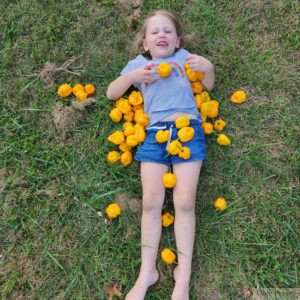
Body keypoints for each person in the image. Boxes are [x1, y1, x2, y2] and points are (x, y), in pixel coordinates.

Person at [106, 9, 214, 300]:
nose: (161, 35)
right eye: (154, 32)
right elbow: (111, 94)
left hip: (189, 132)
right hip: (153, 136)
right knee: (151, 203)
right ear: (144, 44)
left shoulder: (184, 59)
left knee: (185, 202)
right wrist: (132, 76)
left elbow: (209, 85)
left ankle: (184, 276)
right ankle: (146, 274)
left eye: (167, 31)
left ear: (177, 41)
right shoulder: (139, 65)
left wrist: (208, 67)